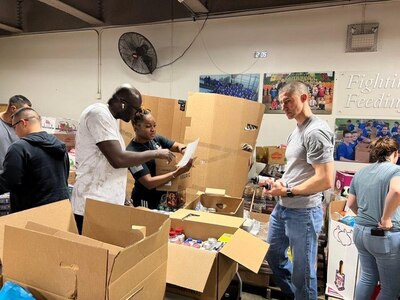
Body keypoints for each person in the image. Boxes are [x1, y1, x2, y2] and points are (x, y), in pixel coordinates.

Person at [261, 81, 334, 300]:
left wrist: (290, 191)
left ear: (304, 98)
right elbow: (300, 170)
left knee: (303, 274)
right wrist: (280, 183)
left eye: (288, 101)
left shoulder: (315, 132)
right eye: (281, 102)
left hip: (302, 211)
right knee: (273, 255)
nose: (283, 106)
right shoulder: (296, 130)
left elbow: (326, 179)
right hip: (283, 207)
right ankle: (295, 295)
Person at [71, 85, 175, 234]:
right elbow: (118, 159)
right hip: (93, 203)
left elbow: (109, 166)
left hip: (107, 203)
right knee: (94, 253)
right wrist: (155, 154)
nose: (136, 114)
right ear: (123, 103)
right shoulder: (98, 114)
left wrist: (123, 196)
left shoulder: (111, 120)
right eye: (136, 109)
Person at [347, 138, 400, 300]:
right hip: (383, 236)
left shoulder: (361, 172)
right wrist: (385, 218)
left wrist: (366, 217)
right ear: (395, 154)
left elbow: (351, 203)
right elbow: (397, 191)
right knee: (389, 289)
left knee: (367, 277)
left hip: (360, 232)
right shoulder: (395, 170)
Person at [0, 107, 69, 213]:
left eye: (14, 127)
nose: (15, 132)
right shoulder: (59, 144)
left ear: (23, 123)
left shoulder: (20, 147)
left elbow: (8, 182)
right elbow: (65, 176)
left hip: (31, 214)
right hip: (59, 210)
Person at [126, 108, 193, 209]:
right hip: (146, 200)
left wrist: (184, 150)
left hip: (162, 197)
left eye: (154, 126)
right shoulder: (132, 153)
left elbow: (176, 145)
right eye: (148, 126)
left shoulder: (155, 139)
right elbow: (149, 182)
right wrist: (176, 173)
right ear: (136, 127)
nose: (153, 130)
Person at [0, 95, 32, 172]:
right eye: (23, 112)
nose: (25, 116)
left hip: (18, 175)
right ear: (13, 109)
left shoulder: (23, 123)